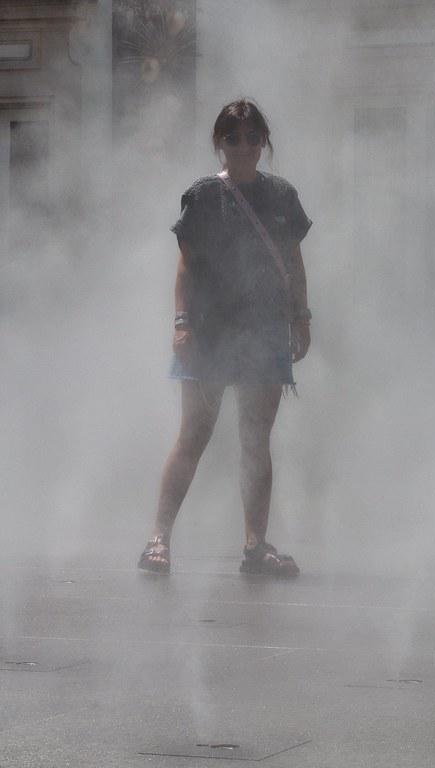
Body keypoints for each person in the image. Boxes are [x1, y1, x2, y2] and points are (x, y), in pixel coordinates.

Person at [137, 98, 313, 577]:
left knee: (256, 440)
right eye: (233, 137)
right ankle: (158, 539)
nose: (243, 146)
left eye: (252, 137)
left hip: (264, 332)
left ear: (263, 144)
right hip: (210, 334)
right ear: (220, 143)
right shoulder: (203, 195)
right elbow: (186, 268)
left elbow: (294, 263)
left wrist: (302, 318)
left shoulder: (282, 196)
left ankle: (255, 546)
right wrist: (181, 323)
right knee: (194, 435)